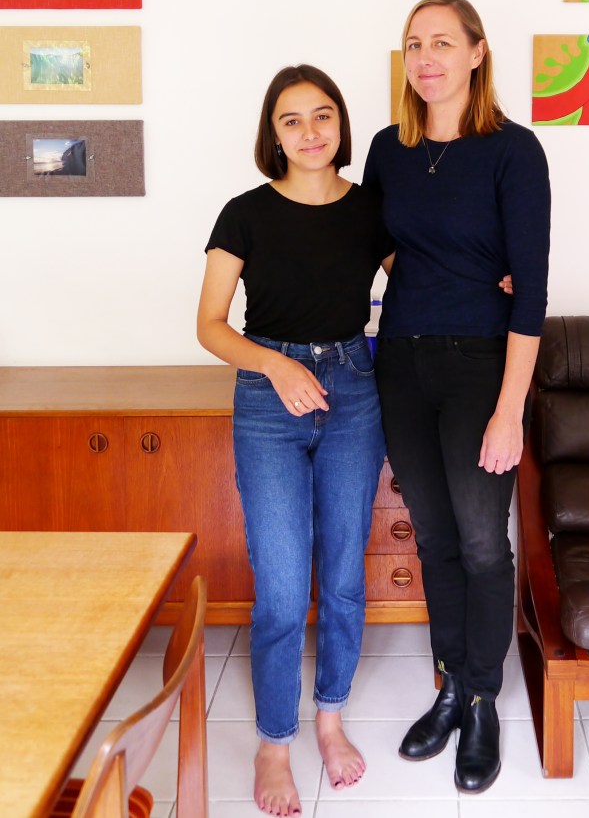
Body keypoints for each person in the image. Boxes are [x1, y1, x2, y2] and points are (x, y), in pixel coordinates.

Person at [363, 0, 551, 793]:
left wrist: (510, 410)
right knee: (434, 539)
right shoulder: (389, 148)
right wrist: (442, 273)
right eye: (414, 43)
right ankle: (449, 685)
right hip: (402, 363)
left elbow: (531, 291)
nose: (426, 57)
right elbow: (378, 245)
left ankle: (481, 701)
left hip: (482, 367)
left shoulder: (514, 150)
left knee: (480, 542)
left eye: (442, 42)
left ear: (477, 53)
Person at [197, 64, 393, 816]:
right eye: (292, 119)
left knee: (342, 574)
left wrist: (493, 281)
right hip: (267, 399)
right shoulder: (244, 214)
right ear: (272, 133)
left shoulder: (370, 209)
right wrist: (276, 364)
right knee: (281, 586)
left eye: (323, 116)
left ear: (340, 124)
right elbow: (210, 325)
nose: (310, 132)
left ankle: (330, 719)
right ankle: (275, 742)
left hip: (352, 391)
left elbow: (421, 281)